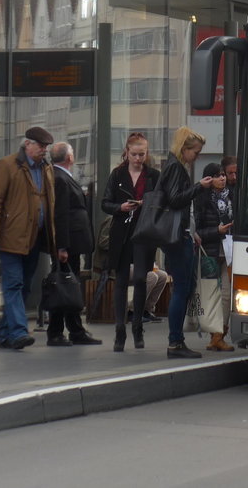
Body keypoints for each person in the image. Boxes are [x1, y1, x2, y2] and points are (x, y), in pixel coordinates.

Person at [0, 127, 57, 350]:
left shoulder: (46, 168)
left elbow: (50, 202)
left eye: (46, 147)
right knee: (14, 284)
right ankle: (18, 332)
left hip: (35, 237)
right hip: (12, 237)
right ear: (28, 144)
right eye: (40, 146)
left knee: (25, 287)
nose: (43, 151)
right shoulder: (8, 165)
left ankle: (5, 334)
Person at [101, 132, 161, 352]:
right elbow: (105, 203)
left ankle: (137, 327)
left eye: (142, 154)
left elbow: (160, 202)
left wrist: (147, 203)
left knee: (141, 280)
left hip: (144, 232)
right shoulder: (117, 174)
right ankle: (120, 329)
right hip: (122, 231)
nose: (138, 158)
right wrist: (120, 207)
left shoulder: (153, 175)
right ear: (126, 152)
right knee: (121, 280)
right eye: (134, 154)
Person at [158, 126, 211, 359]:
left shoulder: (173, 167)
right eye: (195, 153)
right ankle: (175, 341)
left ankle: (176, 340)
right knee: (182, 287)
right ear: (185, 149)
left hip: (180, 234)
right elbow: (175, 199)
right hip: (177, 236)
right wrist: (199, 187)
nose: (196, 157)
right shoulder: (176, 168)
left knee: (185, 287)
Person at [47, 142, 101, 346]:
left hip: (72, 242)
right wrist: (61, 246)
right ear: (69, 158)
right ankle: (57, 331)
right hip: (68, 244)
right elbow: (60, 214)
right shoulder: (60, 178)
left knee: (70, 286)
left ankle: (74, 329)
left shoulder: (62, 176)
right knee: (64, 286)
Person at [193, 162, 234, 351]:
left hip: (228, 250)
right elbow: (198, 230)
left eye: (223, 174)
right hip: (210, 251)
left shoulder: (232, 196)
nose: (222, 178)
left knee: (227, 295)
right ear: (209, 178)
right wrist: (216, 231)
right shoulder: (201, 198)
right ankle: (214, 335)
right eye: (218, 175)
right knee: (211, 294)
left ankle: (220, 335)